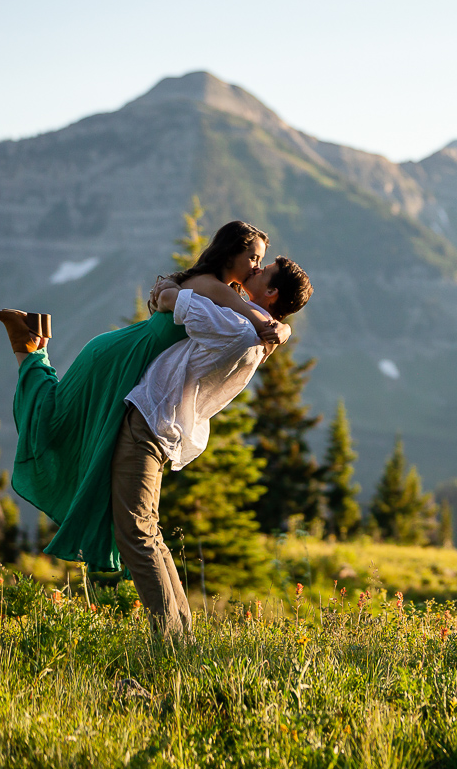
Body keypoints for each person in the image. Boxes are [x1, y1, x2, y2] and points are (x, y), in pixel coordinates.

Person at [0, 221, 288, 572]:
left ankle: (35, 342)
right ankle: (26, 347)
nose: (256, 266)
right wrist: (280, 328)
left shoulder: (214, 286)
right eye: (254, 257)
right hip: (122, 360)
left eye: (261, 262)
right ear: (232, 252)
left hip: (129, 357)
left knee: (73, 420)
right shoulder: (214, 286)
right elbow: (258, 320)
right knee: (59, 418)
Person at [116, 255, 312, 637]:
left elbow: (175, 299)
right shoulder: (252, 329)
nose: (254, 270)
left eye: (263, 270)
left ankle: (171, 640)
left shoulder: (237, 327)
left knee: (135, 532)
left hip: (150, 420)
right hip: (162, 424)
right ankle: (180, 631)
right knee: (146, 529)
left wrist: (167, 290)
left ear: (271, 293)